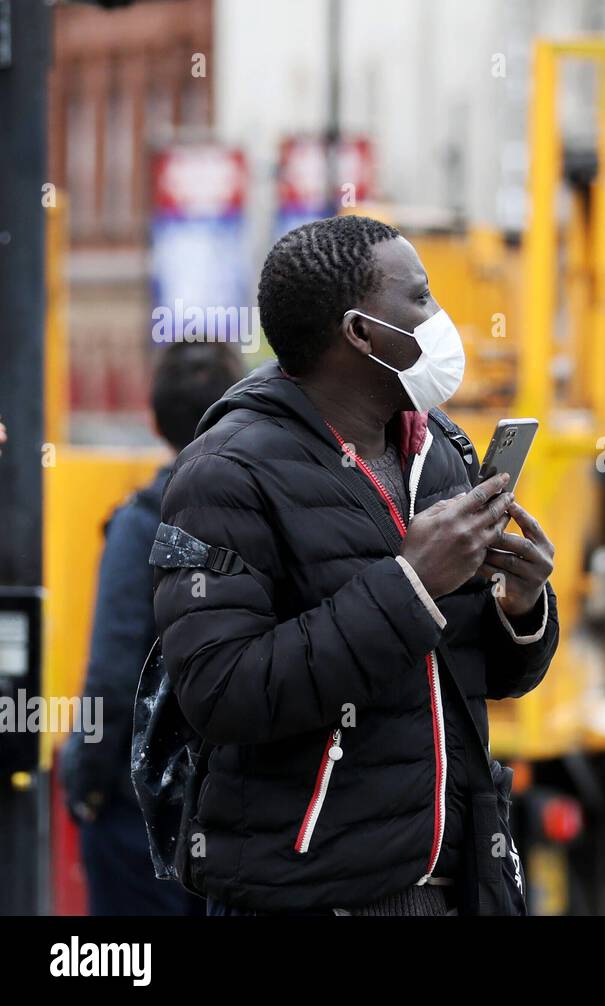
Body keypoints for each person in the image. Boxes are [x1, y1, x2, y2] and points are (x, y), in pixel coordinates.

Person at [151, 215, 559, 916]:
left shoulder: (442, 450)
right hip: (311, 895)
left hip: (458, 886)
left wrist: (520, 608)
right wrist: (409, 584)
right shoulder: (226, 472)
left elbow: (475, 678)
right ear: (360, 334)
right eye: (421, 299)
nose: (441, 319)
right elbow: (220, 693)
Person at [60, 341, 244, 915]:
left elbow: (112, 678)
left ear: (154, 417)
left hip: (140, 815)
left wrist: (85, 783)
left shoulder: (141, 524)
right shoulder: (262, 518)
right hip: (236, 811)